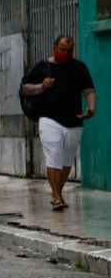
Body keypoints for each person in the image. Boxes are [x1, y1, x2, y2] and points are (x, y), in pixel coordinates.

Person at [21, 35, 96, 211]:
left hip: (74, 121)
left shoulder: (79, 68)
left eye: (69, 51)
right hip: (49, 119)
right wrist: (42, 86)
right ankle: (56, 197)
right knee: (54, 156)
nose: (66, 54)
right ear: (55, 48)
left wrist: (91, 109)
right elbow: (25, 88)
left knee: (67, 161)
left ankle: (58, 193)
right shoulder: (43, 66)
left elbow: (89, 91)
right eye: (62, 50)